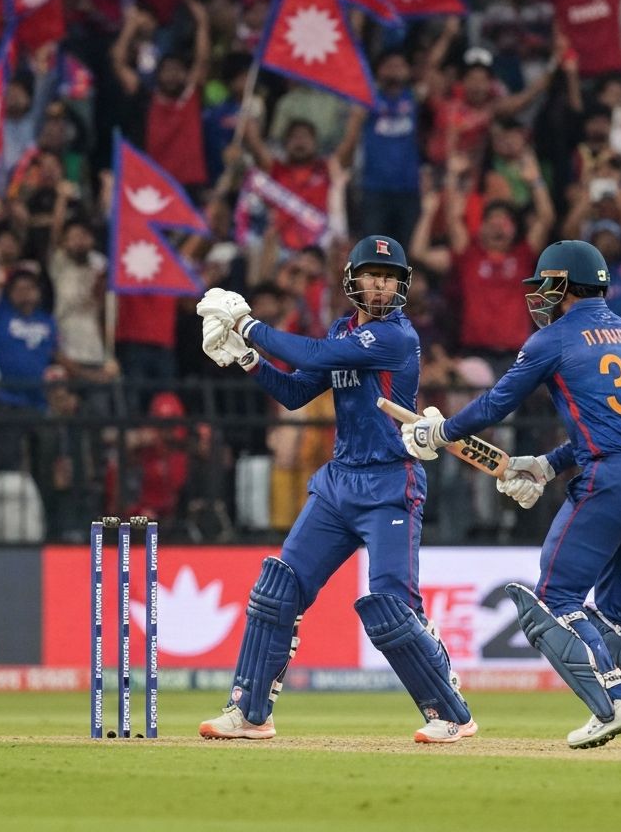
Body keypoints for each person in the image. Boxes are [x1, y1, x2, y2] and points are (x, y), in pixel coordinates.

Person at [401, 240, 621, 749]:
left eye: (546, 285)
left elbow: (496, 404)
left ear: (564, 286)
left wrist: (441, 433)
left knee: (556, 595)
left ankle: (613, 698)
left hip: (610, 480)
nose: (539, 296)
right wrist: (548, 464)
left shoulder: (554, 340)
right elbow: (615, 425)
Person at [195, 235, 475, 744]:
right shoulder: (344, 330)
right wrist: (247, 359)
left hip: (391, 482)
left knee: (392, 607)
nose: (381, 285)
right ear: (353, 280)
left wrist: (248, 325)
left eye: (390, 277)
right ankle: (250, 713)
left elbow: (313, 351)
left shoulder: (397, 337)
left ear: (402, 286)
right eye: (372, 274)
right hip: (339, 483)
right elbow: (297, 392)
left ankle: (450, 714)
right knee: (278, 591)